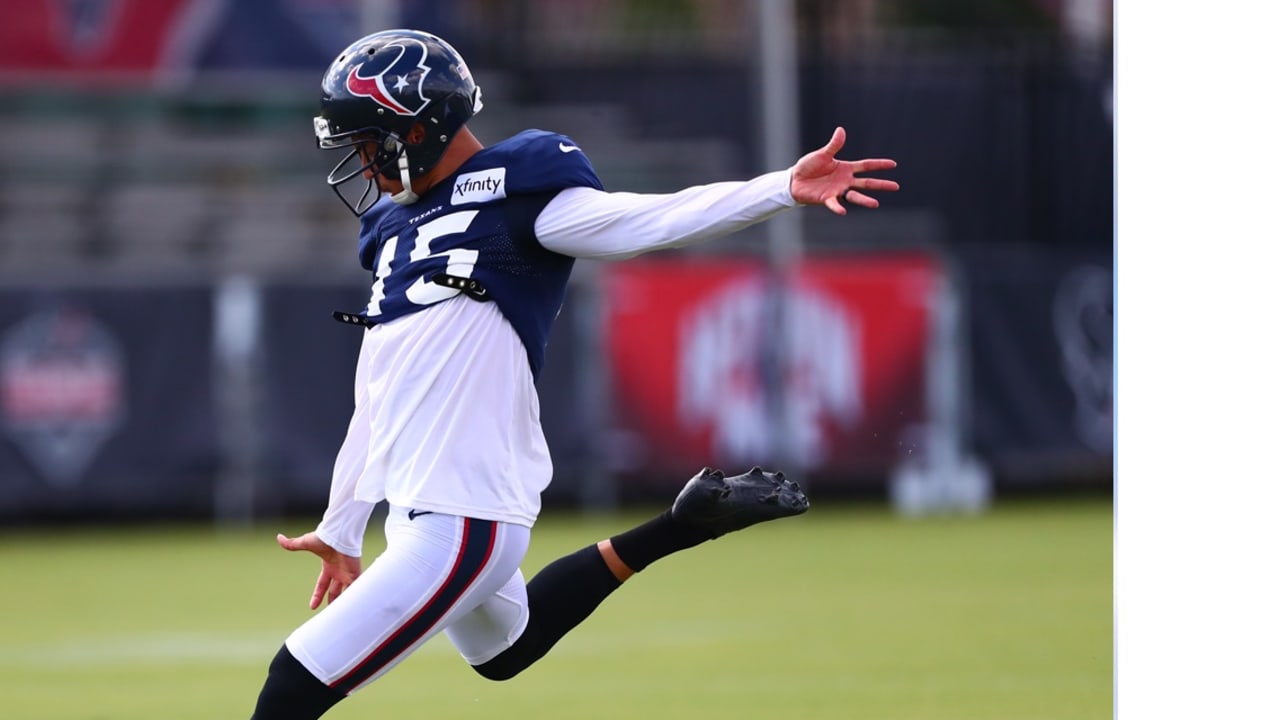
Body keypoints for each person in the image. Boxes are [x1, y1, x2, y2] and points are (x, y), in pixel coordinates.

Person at [249, 28, 899, 719]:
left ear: (419, 127)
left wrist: (778, 190)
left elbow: (646, 221)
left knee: (293, 682)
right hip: (420, 509)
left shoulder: (519, 190)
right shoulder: (392, 229)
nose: (360, 159)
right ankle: (683, 524)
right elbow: (375, 387)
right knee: (506, 650)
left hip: (464, 517)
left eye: (370, 139)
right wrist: (343, 525)